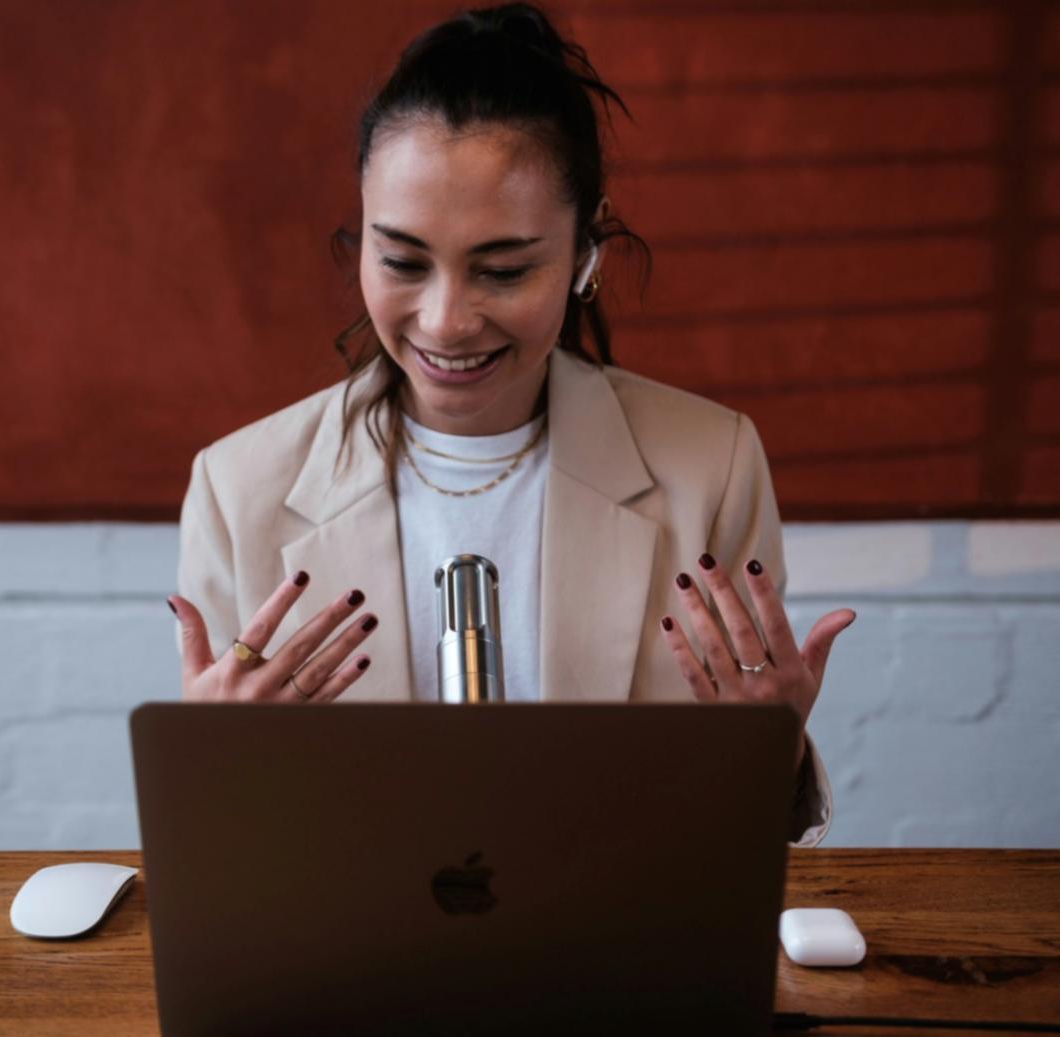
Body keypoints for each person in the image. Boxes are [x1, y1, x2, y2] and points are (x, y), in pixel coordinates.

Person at [168, 3, 855, 846]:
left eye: (503, 269)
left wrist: (775, 753)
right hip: (353, 964)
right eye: (401, 261)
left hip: (617, 950)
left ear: (583, 256)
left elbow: (739, 841)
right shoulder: (240, 487)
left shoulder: (708, 465)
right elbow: (223, 851)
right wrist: (202, 768)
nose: (446, 320)